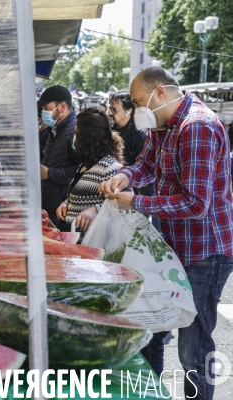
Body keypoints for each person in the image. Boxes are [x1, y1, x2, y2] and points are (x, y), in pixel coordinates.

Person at [99, 67, 233, 400]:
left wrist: (138, 202)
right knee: (154, 331)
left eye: (138, 102)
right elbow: (144, 165)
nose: (136, 110)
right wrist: (124, 178)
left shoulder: (197, 127)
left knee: (193, 346)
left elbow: (195, 204)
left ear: (160, 93)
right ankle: (151, 394)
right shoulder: (162, 125)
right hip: (173, 246)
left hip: (205, 253)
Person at [55, 108, 125, 232]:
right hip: (74, 238)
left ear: (87, 139)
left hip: (92, 241)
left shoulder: (110, 168)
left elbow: (125, 203)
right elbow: (82, 195)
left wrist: (97, 210)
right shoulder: (85, 164)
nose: (74, 138)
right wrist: (67, 204)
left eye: (76, 134)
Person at [38, 85, 78, 226]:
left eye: (47, 109)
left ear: (61, 107)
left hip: (64, 208)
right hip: (51, 204)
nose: (43, 112)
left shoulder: (75, 131)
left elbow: (81, 171)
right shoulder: (55, 128)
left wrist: (49, 173)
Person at [108, 91, 153, 196]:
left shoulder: (140, 135)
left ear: (128, 111)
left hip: (136, 193)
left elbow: (143, 170)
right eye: (109, 108)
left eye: (114, 109)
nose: (109, 112)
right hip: (113, 187)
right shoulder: (107, 130)